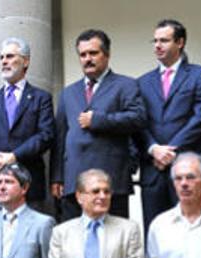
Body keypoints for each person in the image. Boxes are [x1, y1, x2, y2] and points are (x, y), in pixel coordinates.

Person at [52, 29, 147, 221]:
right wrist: (58, 177)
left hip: (112, 179)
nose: (88, 59)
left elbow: (138, 118)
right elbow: (60, 138)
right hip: (74, 182)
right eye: (83, 54)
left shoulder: (125, 85)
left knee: (113, 241)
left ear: (107, 54)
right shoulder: (68, 93)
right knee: (75, 242)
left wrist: (98, 120)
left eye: (93, 53)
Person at [136, 19, 201, 236]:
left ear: (180, 42)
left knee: (193, 231)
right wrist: (154, 149)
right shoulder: (142, 82)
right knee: (155, 233)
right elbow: (138, 122)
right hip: (153, 168)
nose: (157, 45)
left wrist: (170, 150)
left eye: (164, 40)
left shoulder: (200, 75)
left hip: (187, 166)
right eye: (155, 41)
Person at [0, 37, 54, 212]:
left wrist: (14, 156)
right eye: (2, 57)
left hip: (30, 185)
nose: (4, 61)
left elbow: (46, 135)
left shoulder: (41, 98)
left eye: (10, 56)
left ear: (25, 61)